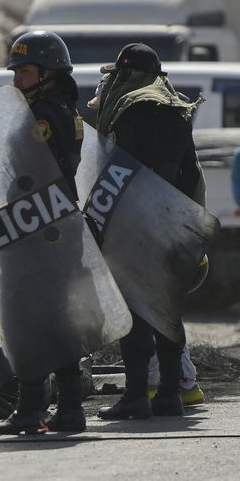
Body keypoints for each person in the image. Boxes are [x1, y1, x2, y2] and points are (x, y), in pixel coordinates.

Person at [95, 43, 204, 420]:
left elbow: (118, 172)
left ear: (124, 74)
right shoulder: (176, 106)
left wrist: (95, 221)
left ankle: (137, 396)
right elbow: (190, 172)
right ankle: (171, 395)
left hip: (134, 226)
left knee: (137, 315)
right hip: (172, 225)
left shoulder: (131, 107)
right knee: (167, 311)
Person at [0, 30, 86, 434]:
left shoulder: (42, 116)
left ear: (48, 73)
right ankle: (69, 409)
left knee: (24, 318)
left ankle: (31, 411)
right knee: (58, 319)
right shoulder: (63, 109)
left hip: (36, 230)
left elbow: (31, 174)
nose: (16, 80)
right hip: (56, 227)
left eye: (24, 72)